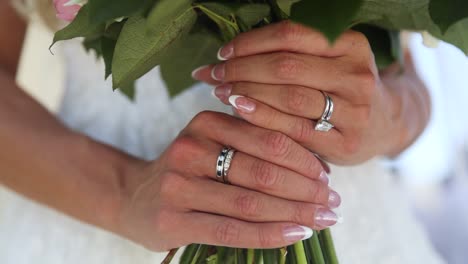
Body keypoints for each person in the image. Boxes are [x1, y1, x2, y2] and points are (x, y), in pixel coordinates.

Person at [0, 1, 444, 263]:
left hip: (349, 218)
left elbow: (408, 82)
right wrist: (122, 192)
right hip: (90, 201)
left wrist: (384, 116)